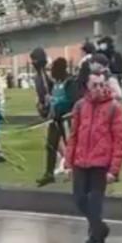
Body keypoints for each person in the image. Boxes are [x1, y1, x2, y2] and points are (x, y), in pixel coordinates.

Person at [65, 68, 122, 243]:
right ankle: (100, 228)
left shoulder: (113, 108)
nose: (99, 89)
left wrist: (114, 169)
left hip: (101, 164)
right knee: (79, 199)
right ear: (87, 86)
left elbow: (119, 140)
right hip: (81, 162)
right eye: (95, 85)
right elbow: (73, 136)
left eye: (102, 84)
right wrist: (68, 162)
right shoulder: (80, 106)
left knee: (94, 203)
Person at [37, 57, 74, 187]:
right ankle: (49, 173)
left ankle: (73, 171)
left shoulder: (69, 82)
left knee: (70, 145)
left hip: (65, 119)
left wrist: (56, 103)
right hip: (54, 119)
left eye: (54, 68)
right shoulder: (55, 83)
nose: (51, 71)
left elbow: (71, 100)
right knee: (51, 145)